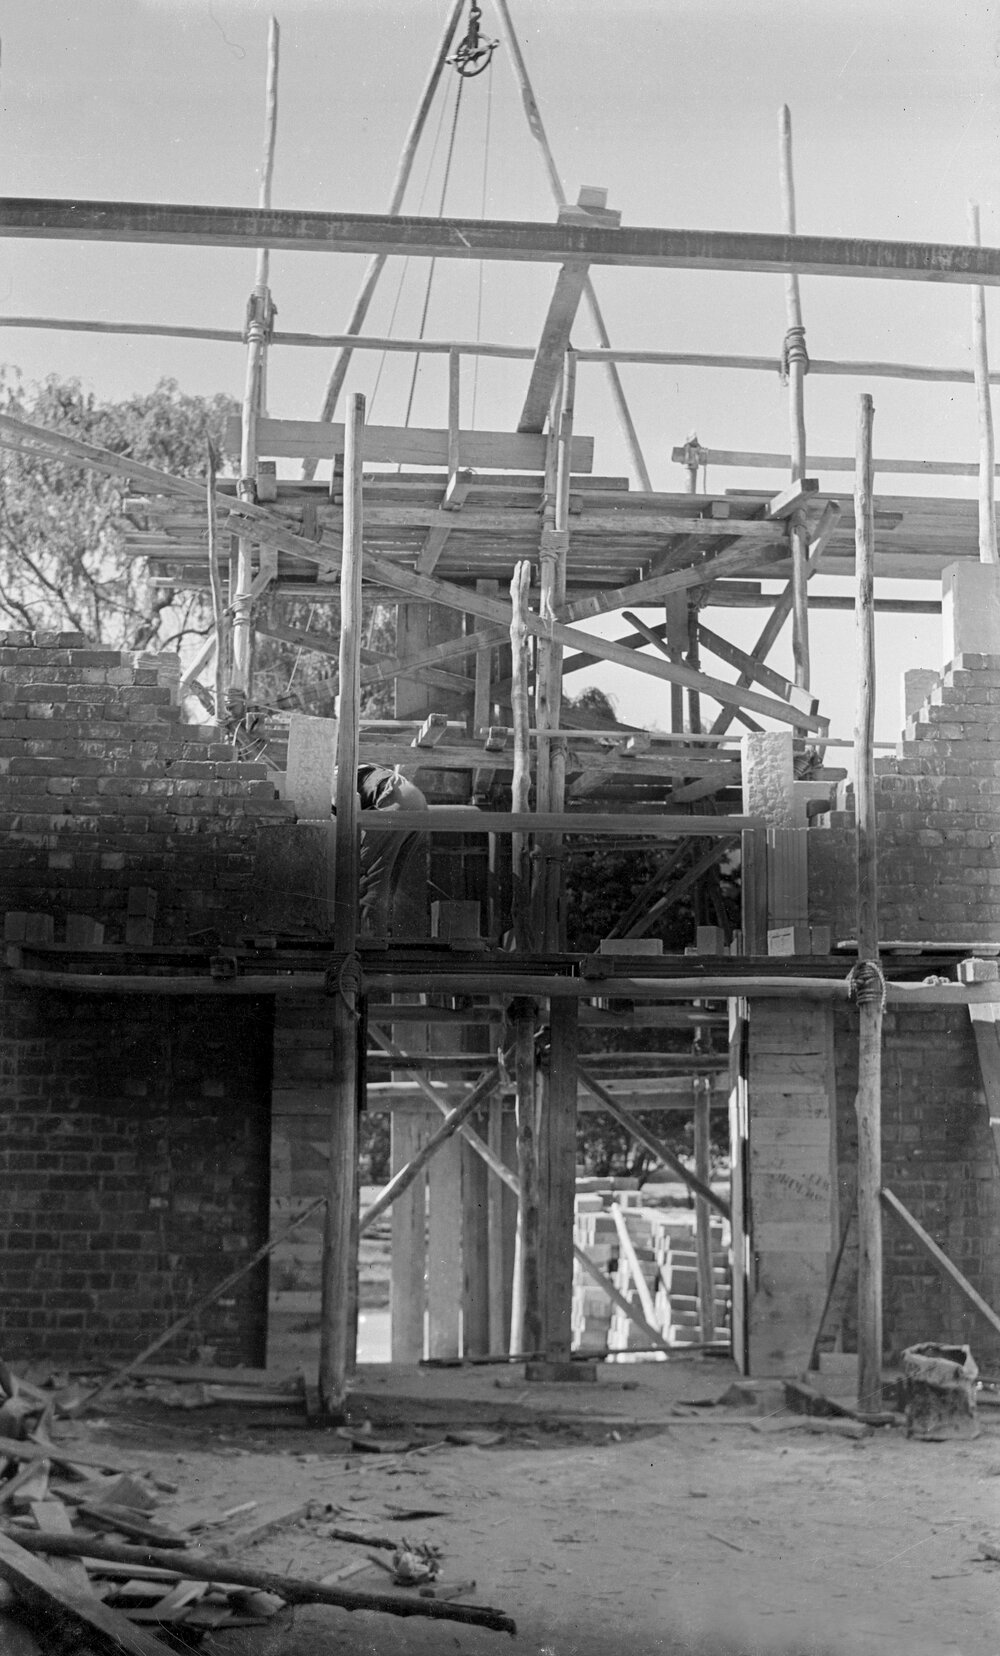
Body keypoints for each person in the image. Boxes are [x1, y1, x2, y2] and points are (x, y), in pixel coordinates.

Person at [342, 764, 428, 935]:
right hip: (418, 802)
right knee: (388, 879)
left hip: (397, 800)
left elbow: (347, 816)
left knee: (369, 875)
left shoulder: (336, 776)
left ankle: (369, 939)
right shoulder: (364, 771)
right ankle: (380, 932)